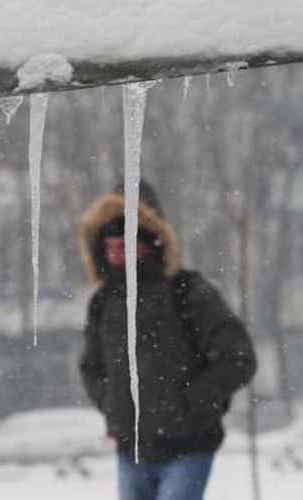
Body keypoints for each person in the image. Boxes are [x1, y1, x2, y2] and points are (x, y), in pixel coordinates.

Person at [78, 183, 257, 500]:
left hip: (189, 448)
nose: (118, 256)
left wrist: (193, 399)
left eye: (127, 245)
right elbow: (92, 367)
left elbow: (239, 358)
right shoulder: (103, 303)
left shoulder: (187, 292)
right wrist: (112, 404)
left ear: (150, 243)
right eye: (112, 247)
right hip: (131, 451)